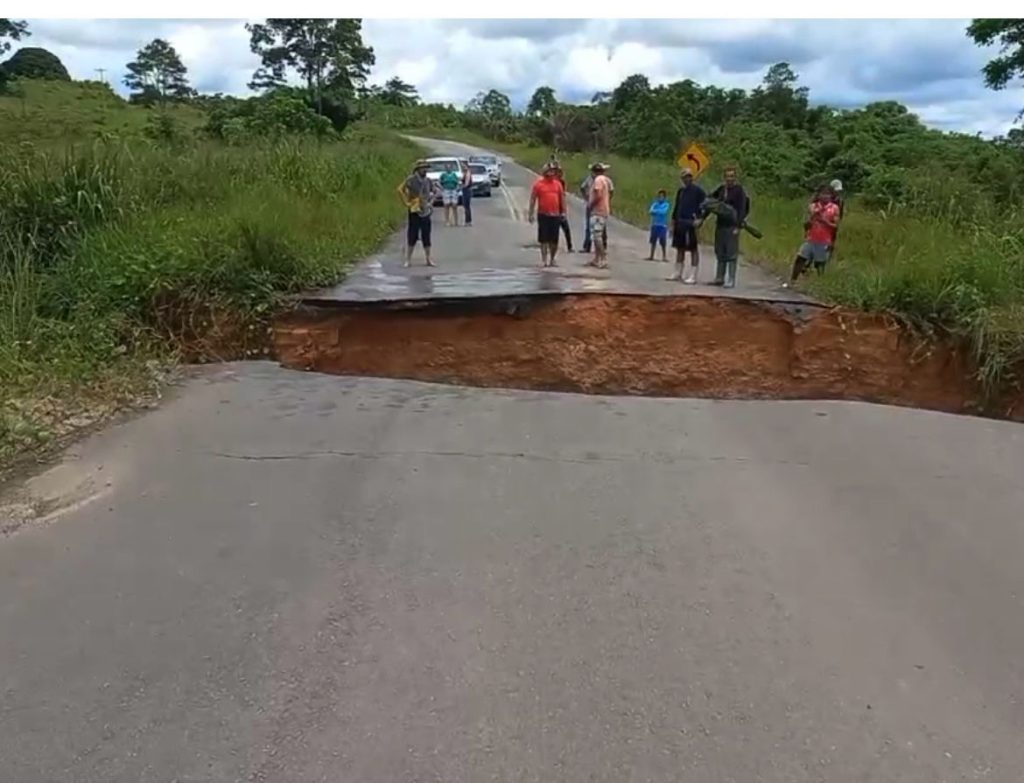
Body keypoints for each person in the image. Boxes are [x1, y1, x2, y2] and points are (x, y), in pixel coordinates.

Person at [784, 185, 839, 287]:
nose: (825, 196)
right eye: (823, 194)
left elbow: (835, 226)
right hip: (811, 238)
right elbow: (806, 224)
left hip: (824, 239)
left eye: (827, 194)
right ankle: (793, 281)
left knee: (820, 263)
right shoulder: (813, 206)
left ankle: (820, 284)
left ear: (831, 196)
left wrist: (824, 221)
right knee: (800, 258)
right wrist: (813, 217)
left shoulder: (834, 208)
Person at [705, 165, 748, 288]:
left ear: (735, 177)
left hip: (732, 225)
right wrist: (703, 216)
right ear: (724, 177)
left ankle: (731, 279)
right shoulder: (721, 189)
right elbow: (710, 202)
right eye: (727, 176)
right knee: (720, 251)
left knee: (731, 253)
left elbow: (742, 208)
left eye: (732, 176)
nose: (730, 179)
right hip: (720, 224)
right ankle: (719, 277)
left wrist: (738, 226)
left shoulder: (739, 190)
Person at [397, 159, 440, 267]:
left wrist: (431, 202)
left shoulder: (428, 181)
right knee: (412, 235)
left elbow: (436, 191)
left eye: (426, 168)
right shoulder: (411, 180)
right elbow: (400, 189)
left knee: (426, 235)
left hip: (425, 210)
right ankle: (408, 260)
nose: (425, 170)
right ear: (418, 169)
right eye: (423, 168)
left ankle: (428, 259)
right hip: (414, 209)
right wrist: (406, 202)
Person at [670, 168, 706, 283]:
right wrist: (673, 222)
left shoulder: (698, 191)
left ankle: (693, 275)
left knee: (693, 248)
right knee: (679, 248)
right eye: (685, 177)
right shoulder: (681, 191)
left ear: (692, 177)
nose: (687, 179)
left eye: (689, 176)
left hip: (691, 222)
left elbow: (706, 206)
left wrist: (701, 219)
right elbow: (676, 207)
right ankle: (677, 273)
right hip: (680, 222)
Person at [528, 162, 567, 267]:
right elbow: (533, 199)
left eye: (553, 171)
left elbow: (562, 199)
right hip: (543, 214)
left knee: (554, 240)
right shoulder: (538, 184)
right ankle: (544, 259)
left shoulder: (558, 184)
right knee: (543, 239)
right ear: (545, 172)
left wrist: (563, 212)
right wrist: (530, 213)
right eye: (550, 171)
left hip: (555, 215)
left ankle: (553, 258)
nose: (552, 173)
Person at [586, 162, 612, 269]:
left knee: (597, 236)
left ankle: (603, 257)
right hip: (602, 210)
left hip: (598, 211)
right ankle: (597, 258)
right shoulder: (606, 180)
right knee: (596, 235)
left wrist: (590, 204)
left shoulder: (598, 180)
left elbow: (598, 194)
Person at [579, 164, 610, 253]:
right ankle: (588, 246)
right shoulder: (590, 179)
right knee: (590, 227)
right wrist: (587, 198)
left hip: (597, 207)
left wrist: (592, 203)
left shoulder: (601, 180)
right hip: (594, 206)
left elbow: (600, 194)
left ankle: (602, 250)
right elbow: (582, 187)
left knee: (599, 230)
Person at [553, 163, 574, 252]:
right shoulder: (553, 182)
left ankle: (569, 246)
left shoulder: (561, 182)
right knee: (555, 229)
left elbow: (563, 195)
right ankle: (554, 246)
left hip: (560, 206)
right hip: (554, 207)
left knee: (565, 228)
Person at [646, 189, 671, 261]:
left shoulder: (666, 204)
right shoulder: (655, 204)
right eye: (659, 196)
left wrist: (655, 211)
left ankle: (664, 256)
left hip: (662, 225)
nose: (660, 197)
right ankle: (651, 256)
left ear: (664, 197)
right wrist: (657, 211)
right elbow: (650, 211)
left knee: (663, 241)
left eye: (662, 196)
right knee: (653, 241)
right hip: (654, 224)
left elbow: (663, 212)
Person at [439, 161, 461, 227]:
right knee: (446, 205)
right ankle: (447, 221)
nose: (448, 168)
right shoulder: (443, 175)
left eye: (450, 167)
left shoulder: (454, 174)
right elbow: (439, 182)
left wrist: (457, 188)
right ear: (445, 168)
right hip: (446, 190)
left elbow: (457, 182)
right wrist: (441, 188)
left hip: (453, 190)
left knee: (454, 205)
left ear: (451, 168)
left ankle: (456, 221)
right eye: (447, 167)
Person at [461, 160, 474, 227]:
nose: (462, 167)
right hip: (465, 190)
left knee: (466, 206)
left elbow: (466, 183)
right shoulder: (465, 173)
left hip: (467, 191)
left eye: (463, 166)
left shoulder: (467, 173)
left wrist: (461, 186)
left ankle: (468, 221)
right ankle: (468, 221)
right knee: (466, 206)